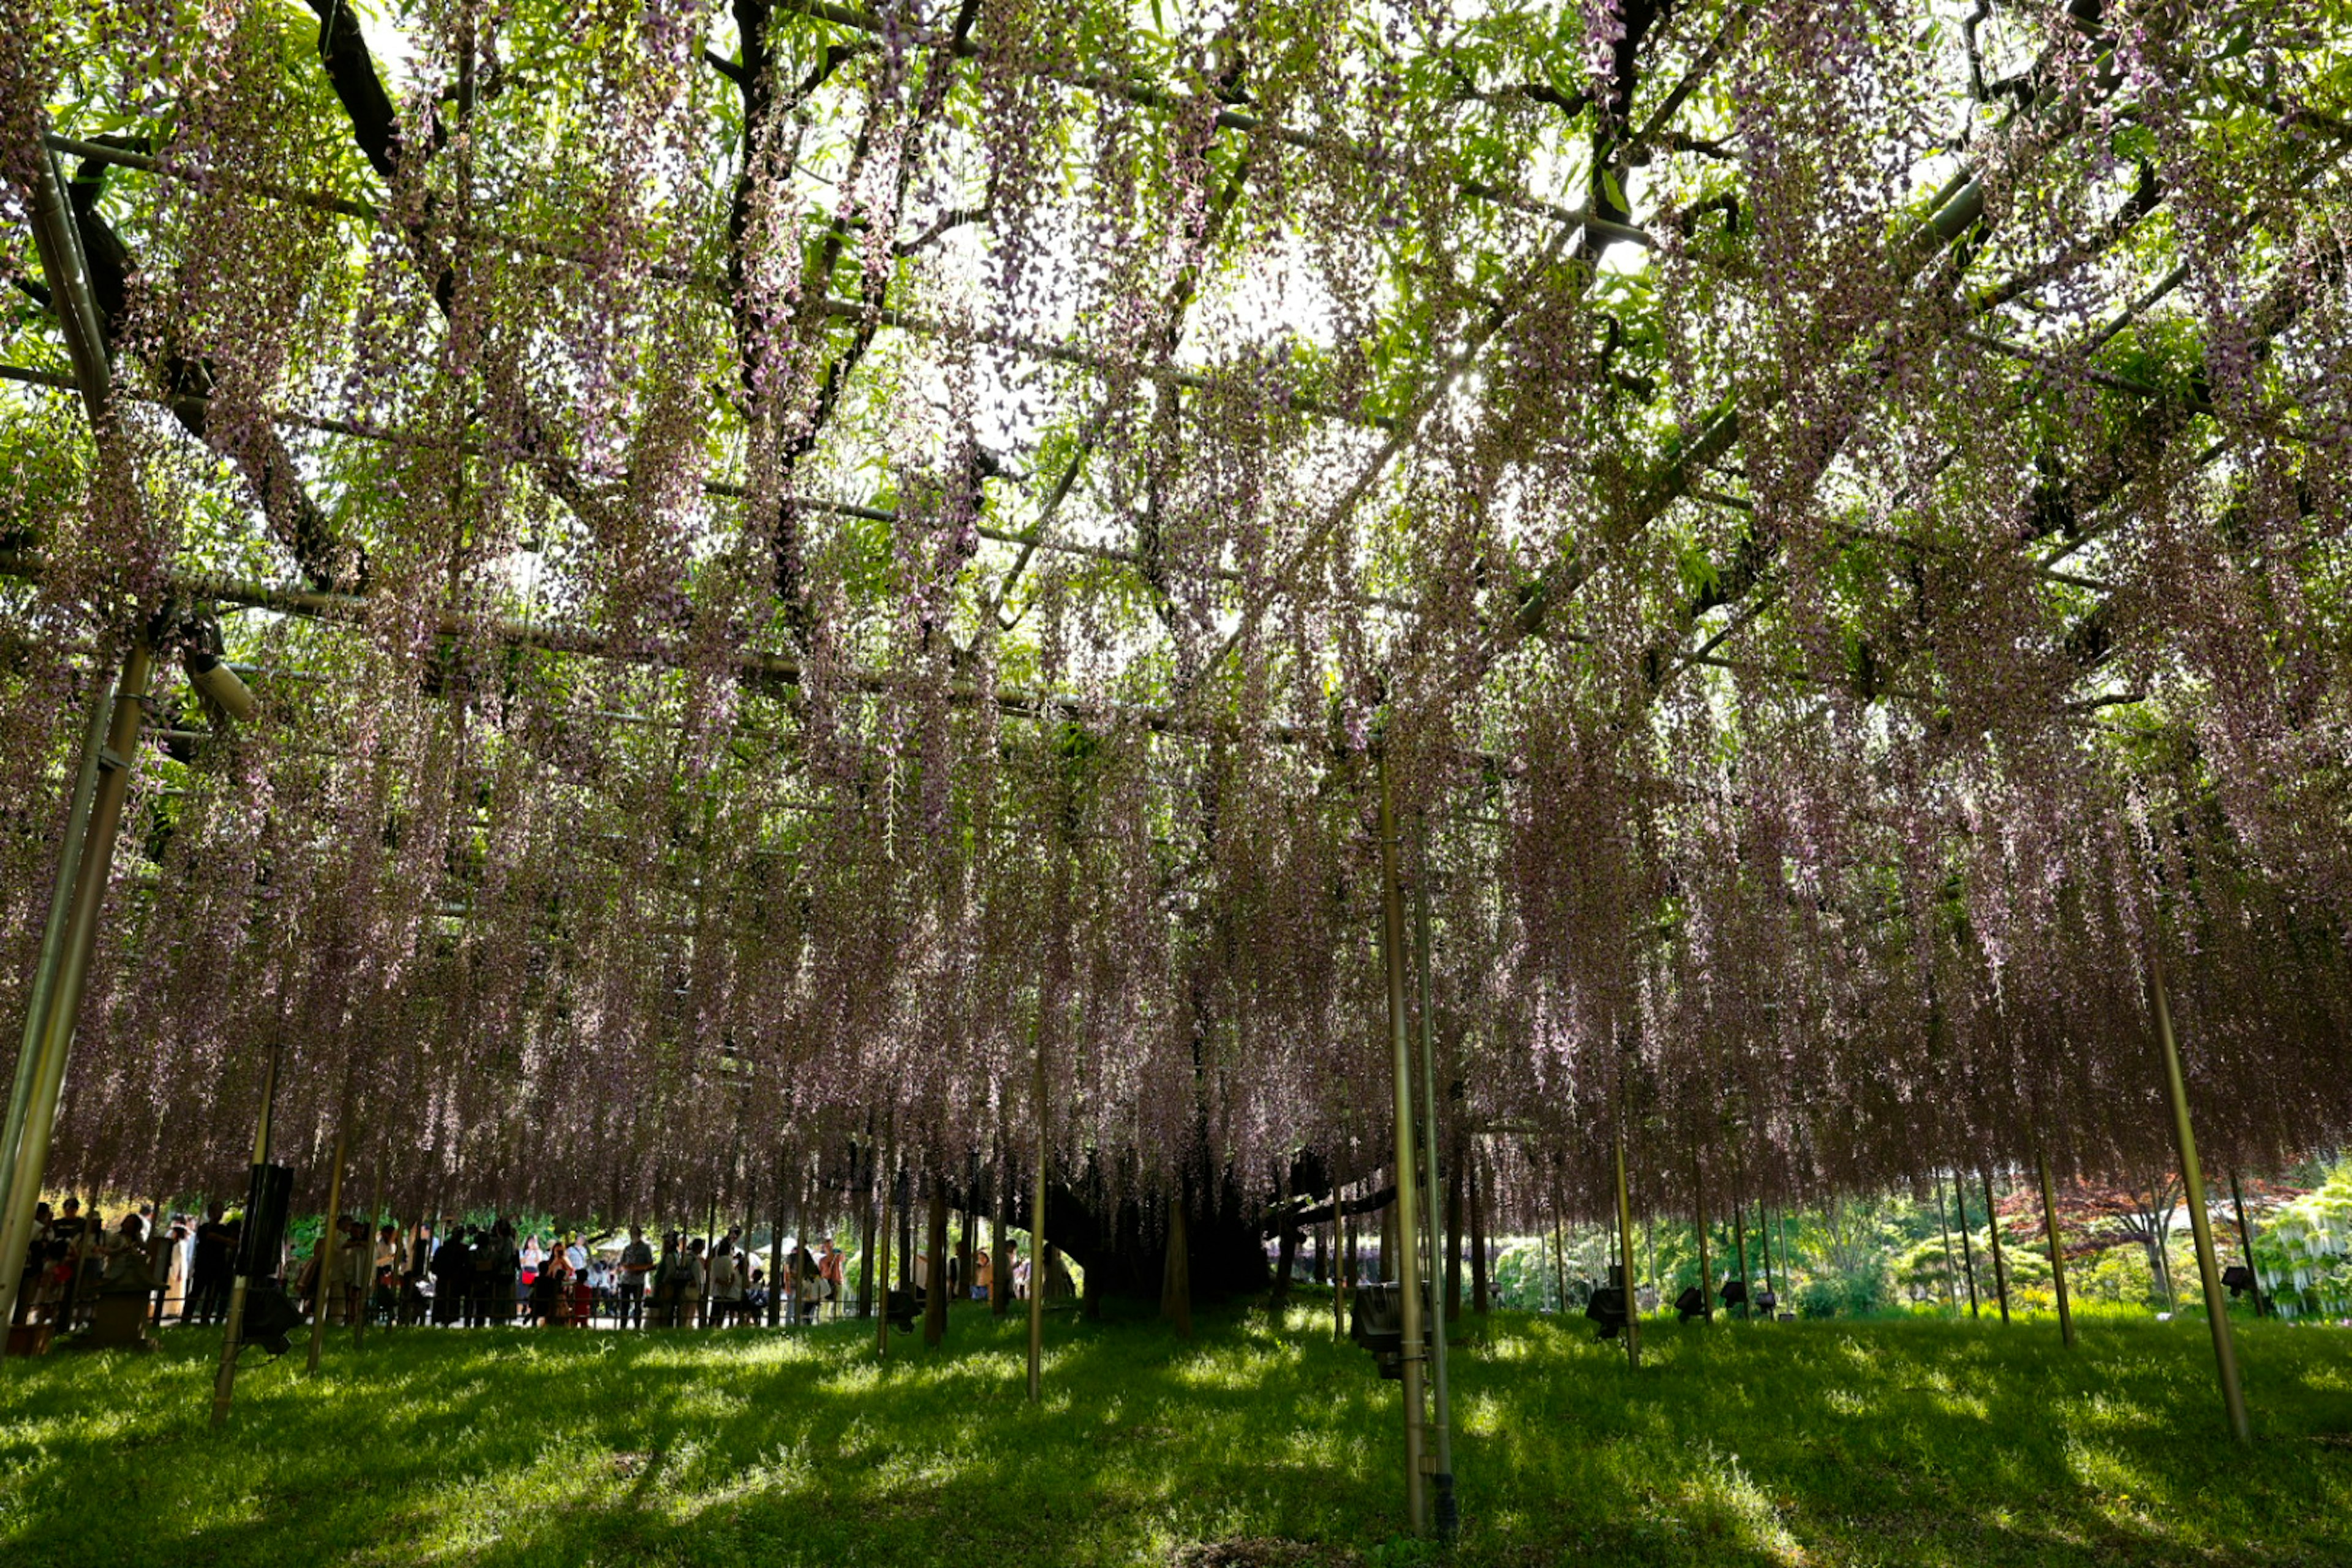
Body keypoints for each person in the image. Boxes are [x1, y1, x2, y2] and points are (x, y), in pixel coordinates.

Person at [616, 1227, 653, 1329]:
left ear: (640, 1234)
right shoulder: (627, 1248)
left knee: (638, 1305)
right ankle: (623, 1326)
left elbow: (650, 1265)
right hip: (626, 1280)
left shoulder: (645, 1248)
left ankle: (637, 1326)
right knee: (624, 1305)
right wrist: (625, 1267)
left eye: (635, 1233)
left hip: (638, 1281)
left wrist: (639, 1269)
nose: (634, 1235)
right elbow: (621, 1263)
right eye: (632, 1233)